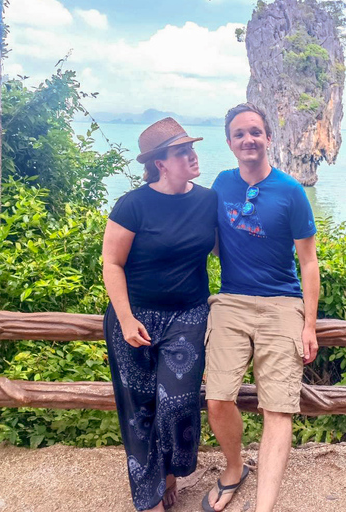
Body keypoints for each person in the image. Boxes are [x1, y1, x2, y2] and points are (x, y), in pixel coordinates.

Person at [202, 103, 320, 512]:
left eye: (255, 131)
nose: (248, 139)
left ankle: (264, 507)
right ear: (230, 143)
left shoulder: (291, 191)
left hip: (282, 304)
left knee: (278, 407)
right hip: (230, 301)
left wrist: (309, 324)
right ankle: (234, 469)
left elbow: (308, 261)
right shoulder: (220, 184)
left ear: (269, 137)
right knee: (217, 398)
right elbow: (210, 241)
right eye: (239, 134)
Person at [102, 118, 217, 511]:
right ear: (160, 163)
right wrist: (125, 317)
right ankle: (149, 495)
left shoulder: (207, 201)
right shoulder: (132, 205)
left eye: (191, 147)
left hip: (187, 315)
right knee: (139, 409)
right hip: (133, 317)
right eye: (181, 150)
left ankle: (170, 475)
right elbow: (112, 263)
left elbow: (225, 248)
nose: (191, 154)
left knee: (178, 403)